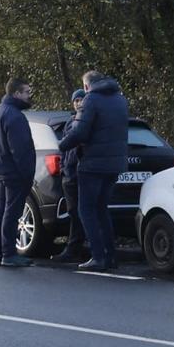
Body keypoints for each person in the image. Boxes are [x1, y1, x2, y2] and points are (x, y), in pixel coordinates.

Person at [59, 71, 129, 272]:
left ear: (87, 86)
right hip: (115, 164)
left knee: (86, 210)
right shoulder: (120, 100)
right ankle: (110, 256)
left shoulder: (91, 100)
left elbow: (80, 131)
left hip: (92, 164)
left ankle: (97, 256)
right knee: (101, 208)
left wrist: (62, 145)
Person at [0, 77, 37, 267]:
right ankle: (9, 253)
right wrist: (27, 174)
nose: (29, 96)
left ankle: (0, 253)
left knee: (1, 211)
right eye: (26, 92)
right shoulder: (15, 116)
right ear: (16, 93)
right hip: (15, 172)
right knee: (11, 212)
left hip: (1, 170)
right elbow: (21, 149)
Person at [51, 89, 88, 263]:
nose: (79, 103)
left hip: (82, 173)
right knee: (74, 212)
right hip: (71, 174)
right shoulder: (69, 123)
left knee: (84, 212)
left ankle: (76, 248)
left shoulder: (86, 121)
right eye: (76, 100)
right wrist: (65, 169)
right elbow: (64, 149)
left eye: (82, 99)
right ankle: (75, 248)